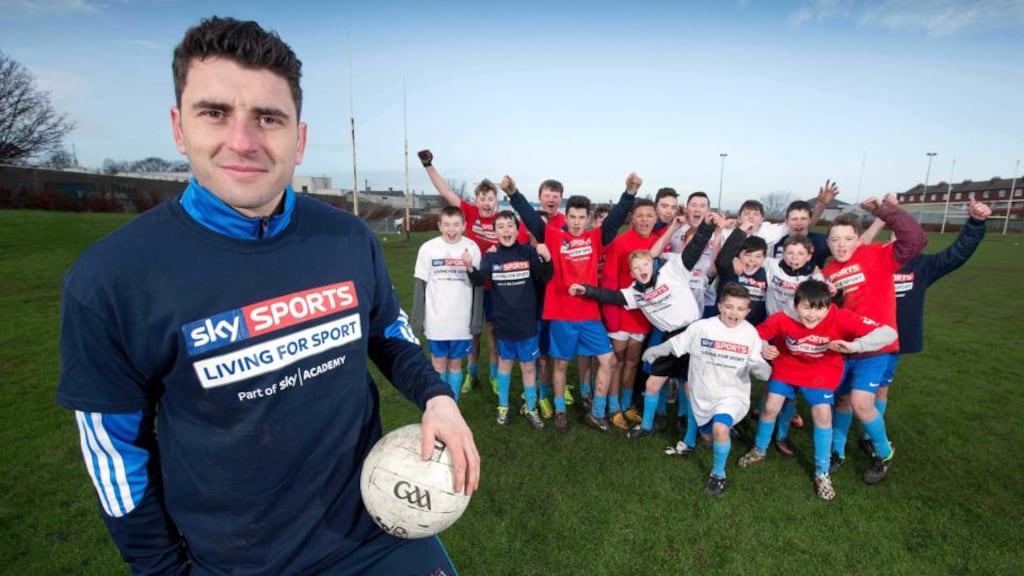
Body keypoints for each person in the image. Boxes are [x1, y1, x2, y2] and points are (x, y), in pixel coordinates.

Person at [57, 17, 479, 575]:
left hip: (382, 528)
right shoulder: (111, 279)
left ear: (298, 138)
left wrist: (436, 396)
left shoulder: (348, 239)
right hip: (245, 563)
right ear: (179, 128)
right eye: (215, 112)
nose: (243, 141)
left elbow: (387, 332)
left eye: (268, 118)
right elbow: (115, 457)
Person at [854, 195, 992, 453]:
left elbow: (956, 255)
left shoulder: (923, 265)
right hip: (859, 335)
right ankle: (843, 440)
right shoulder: (875, 260)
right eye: (896, 233)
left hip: (892, 342)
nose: (901, 238)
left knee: (880, 390)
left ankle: (870, 436)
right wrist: (885, 211)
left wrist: (974, 223)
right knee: (848, 393)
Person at [738, 280, 897, 500]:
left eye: (819, 308)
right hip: (787, 366)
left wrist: (854, 346)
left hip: (821, 371)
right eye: (806, 308)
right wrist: (765, 348)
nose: (812, 315)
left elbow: (889, 333)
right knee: (770, 407)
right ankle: (759, 448)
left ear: (829, 305)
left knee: (823, 415)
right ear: (796, 305)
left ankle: (822, 472)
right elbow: (756, 335)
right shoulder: (782, 318)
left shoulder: (840, 316)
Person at [506, 173, 640, 432]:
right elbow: (530, 218)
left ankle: (597, 412)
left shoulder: (594, 239)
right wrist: (513, 194)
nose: (577, 223)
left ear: (588, 218)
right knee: (561, 364)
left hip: (589, 315)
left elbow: (614, 221)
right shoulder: (555, 237)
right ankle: (559, 409)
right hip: (562, 315)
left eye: (582, 218)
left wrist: (629, 193)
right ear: (565, 218)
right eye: (573, 217)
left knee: (608, 361)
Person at [569, 212, 716, 438]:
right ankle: (646, 427)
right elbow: (612, 296)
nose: (641, 270)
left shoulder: (672, 272)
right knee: (653, 384)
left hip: (692, 334)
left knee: (689, 386)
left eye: (645, 264)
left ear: (653, 263)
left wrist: (706, 227)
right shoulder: (636, 293)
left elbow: (694, 249)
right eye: (636, 268)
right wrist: (586, 289)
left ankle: (692, 432)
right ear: (632, 273)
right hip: (669, 338)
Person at [823, 193, 927, 483]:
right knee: (841, 401)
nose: (841, 244)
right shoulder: (830, 270)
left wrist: (885, 209)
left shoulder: (877, 255)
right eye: (835, 239)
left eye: (847, 238)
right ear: (828, 243)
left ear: (859, 240)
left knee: (861, 402)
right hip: (845, 348)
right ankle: (837, 451)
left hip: (876, 345)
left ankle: (884, 452)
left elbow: (916, 239)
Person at [641, 283, 772, 496]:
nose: (734, 313)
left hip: (732, 395)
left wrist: (761, 369)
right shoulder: (703, 327)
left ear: (748, 312)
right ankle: (702, 438)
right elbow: (677, 344)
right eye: (729, 307)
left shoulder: (750, 334)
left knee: (720, 429)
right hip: (703, 393)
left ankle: (718, 474)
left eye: (740, 309)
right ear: (719, 306)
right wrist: (657, 350)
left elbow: (759, 366)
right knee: (709, 435)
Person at [418, 149, 529, 395]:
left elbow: (521, 246)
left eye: (491, 198)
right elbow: (445, 191)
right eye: (482, 198)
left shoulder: (505, 221)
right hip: (467, 283)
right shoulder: (468, 213)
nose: (486, 203)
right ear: (476, 200)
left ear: (497, 200)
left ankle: (492, 375)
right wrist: (428, 165)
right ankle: (472, 373)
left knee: (491, 331)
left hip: (495, 286)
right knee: (470, 330)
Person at [463, 210, 553, 428]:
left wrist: (547, 258)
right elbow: (481, 279)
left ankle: (531, 408)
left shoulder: (527, 253)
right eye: (500, 226)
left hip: (527, 324)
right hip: (503, 324)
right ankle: (503, 406)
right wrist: (469, 267)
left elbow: (543, 277)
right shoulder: (491, 257)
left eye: (509, 225)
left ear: (517, 228)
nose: (506, 230)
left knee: (528, 367)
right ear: (495, 232)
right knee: (504, 364)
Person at [599, 198, 669, 430]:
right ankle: (613, 406)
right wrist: (612, 316)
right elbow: (609, 280)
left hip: (642, 316)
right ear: (632, 218)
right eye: (640, 215)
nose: (645, 220)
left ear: (655, 218)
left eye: (650, 215)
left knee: (632, 362)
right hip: (620, 312)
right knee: (616, 363)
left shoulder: (659, 242)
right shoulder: (620, 242)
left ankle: (627, 404)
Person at [412, 205, 482, 402]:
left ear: (464, 225)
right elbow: (420, 287)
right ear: (439, 225)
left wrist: (476, 321)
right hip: (436, 321)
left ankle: (453, 405)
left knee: (455, 365)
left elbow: (478, 287)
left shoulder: (472, 248)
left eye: (456, 225)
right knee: (438, 364)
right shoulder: (427, 249)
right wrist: (417, 322)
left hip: (461, 322)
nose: (451, 230)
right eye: (447, 225)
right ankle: (440, 405)